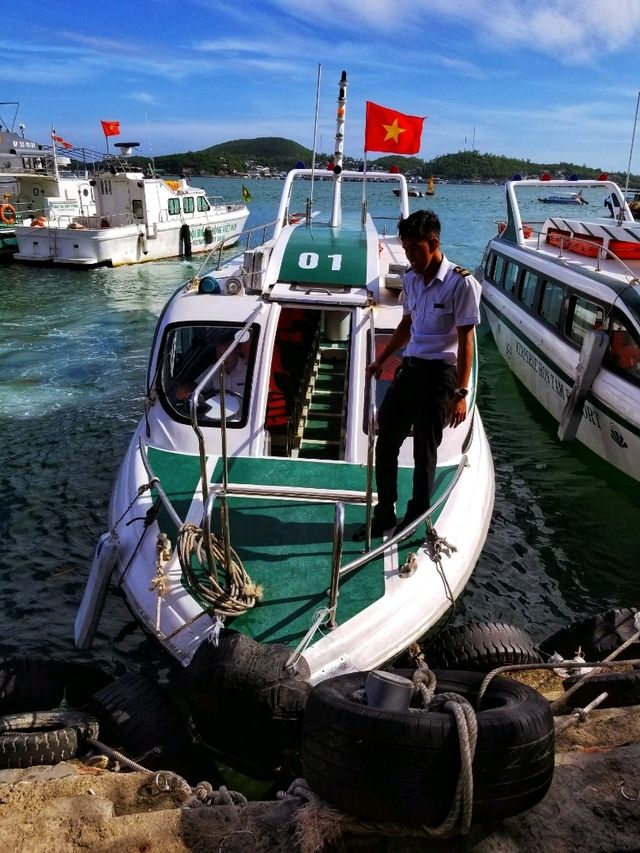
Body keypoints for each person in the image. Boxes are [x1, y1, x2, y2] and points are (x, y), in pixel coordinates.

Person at [354, 209, 481, 541]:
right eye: (407, 249)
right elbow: (406, 325)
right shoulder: (410, 278)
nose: (410, 256)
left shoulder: (461, 282)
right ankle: (385, 513)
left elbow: (466, 339)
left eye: (416, 249)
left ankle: (416, 513)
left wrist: (461, 394)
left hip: (440, 377)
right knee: (386, 442)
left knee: (425, 449)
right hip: (409, 370)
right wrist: (382, 360)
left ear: (434, 243)